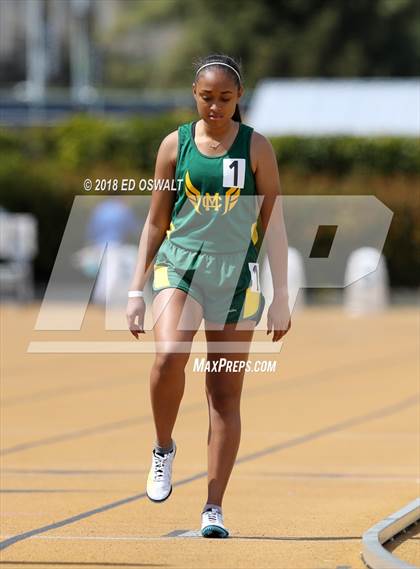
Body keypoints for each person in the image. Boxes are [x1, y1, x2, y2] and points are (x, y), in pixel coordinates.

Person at [126, 54, 291, 538]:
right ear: (193, 95)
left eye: (224, 98)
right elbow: (156, 221)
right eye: (206, 98)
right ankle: (162, 448)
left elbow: (274, 223)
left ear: (239, 97)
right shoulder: (173, 145)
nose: (214, 107)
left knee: (223, 394)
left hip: (236, 277)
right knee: (169, 354)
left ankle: (213, 508)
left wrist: (281, 296)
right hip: (180, 266)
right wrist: (136, 288)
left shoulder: (256, 148)